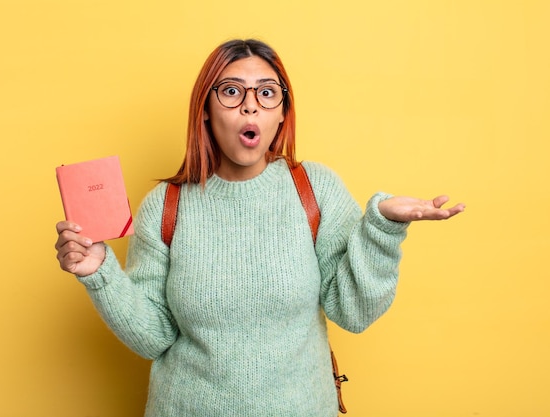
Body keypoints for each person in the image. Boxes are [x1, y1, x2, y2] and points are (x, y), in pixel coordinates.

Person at [55, 39, 465, 417]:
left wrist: (383, 228)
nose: (250, 106)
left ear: (282, 110)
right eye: (231, 91)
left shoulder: (315, 189)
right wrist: (99, 272)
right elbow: (153, 337)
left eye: (267, 93)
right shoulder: (165, 205)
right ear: (205, 108)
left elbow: (353, 312)